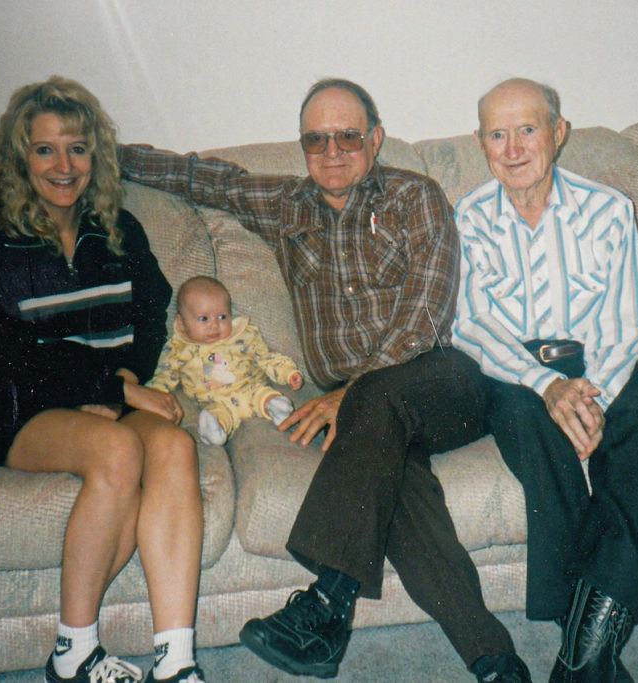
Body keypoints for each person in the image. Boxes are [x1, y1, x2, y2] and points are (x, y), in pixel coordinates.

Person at [119, 78, 530, 682]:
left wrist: (350, 391)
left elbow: (426, 312)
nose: (332, 151)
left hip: (444, 382)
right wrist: (105, 154)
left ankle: (328, 601)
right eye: (316, 140)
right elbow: (203, 179)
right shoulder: (288, 205)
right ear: (302, 147)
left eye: (348, 136)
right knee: (398, 495)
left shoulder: (416, 197)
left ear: (376, 139)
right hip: (368, 415)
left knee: (379, 402)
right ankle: (495, 660)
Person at [0, 76, 206, 683]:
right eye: (45, 149)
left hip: (112, 393)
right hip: (19, 406)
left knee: (173, 444)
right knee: (119, 448)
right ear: (21, 159)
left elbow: (153, 312)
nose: (64, 165)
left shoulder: (119, 229)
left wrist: (126, 375)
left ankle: (175, 661)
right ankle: (74, 652)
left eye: (78, 148)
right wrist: (110, 391)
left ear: (96, 156)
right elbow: (2, 353)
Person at [453, 77, 638, 682]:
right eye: (497, 134)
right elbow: (473, 326)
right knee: (535, 433)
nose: (512, 148)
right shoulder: (471, 216)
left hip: (597, 362)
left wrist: (595, 399)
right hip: (513, 373)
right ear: (481, 143)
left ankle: (581, 656)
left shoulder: (609, 209)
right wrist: (545, 385)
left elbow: (626, 322)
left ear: (558, 133)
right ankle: (587, 641)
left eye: (527, 130)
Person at [147, 275, 304, 445]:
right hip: (215, 402)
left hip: (250, 388)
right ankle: (214, 430)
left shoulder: (244, 335)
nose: (214, 325)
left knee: (263, 395)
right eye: (203, 319)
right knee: (217, 414)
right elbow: (164, 375)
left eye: (222, 317)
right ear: (181, 322)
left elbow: (265, 359)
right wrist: (153, 396)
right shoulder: (178, 349)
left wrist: (288, 372)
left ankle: (276, 408)